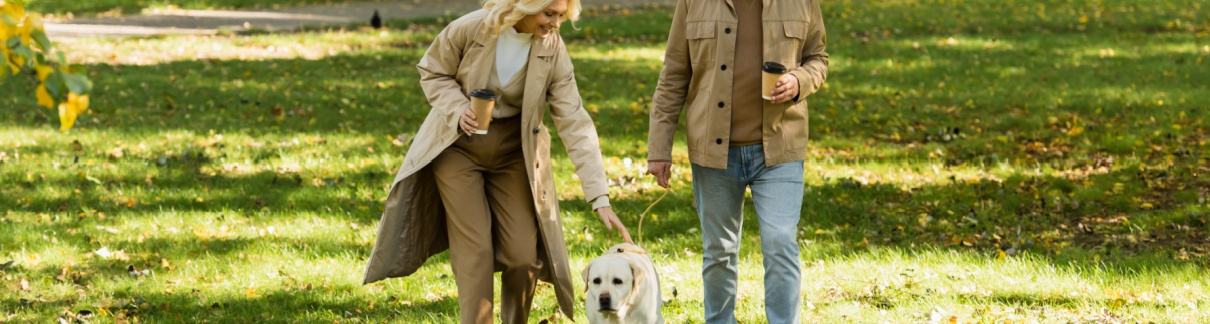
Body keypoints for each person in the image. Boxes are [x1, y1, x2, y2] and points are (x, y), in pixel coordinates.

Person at [362, 0, 633, 323]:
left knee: (523, 255)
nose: (556, 23)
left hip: (514, 153)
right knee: (474, 253)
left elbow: (574, 119)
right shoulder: (473, 27)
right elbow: (432, 71)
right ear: (525, 6)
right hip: (457, 149)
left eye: (562, 16)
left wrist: (599, 196)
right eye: (549, 14)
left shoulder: (552, 48)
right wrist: (456, 107)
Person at [645, 0, 828, 323]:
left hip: (779, 149)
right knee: (719, 252)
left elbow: (818, 58)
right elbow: (674, 74)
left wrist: (800, 80)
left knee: (780, 242)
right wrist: (659, 148)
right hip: (714, 153)